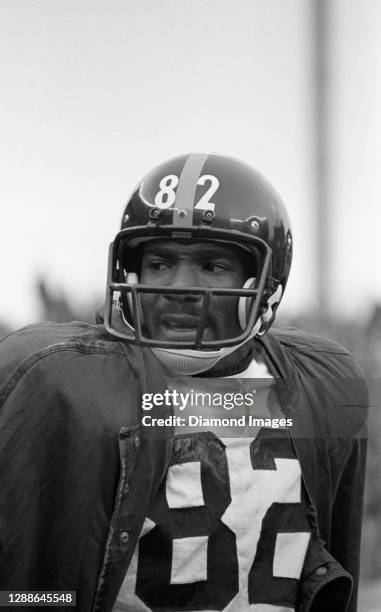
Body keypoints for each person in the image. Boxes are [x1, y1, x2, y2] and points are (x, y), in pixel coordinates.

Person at [0, 153, 368, 611]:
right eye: (159, 263)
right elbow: (21, 593)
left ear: (264, 283)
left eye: (213, 266)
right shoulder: (64, 379)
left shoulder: (321, 382)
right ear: (129, 272)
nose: (179, 285)